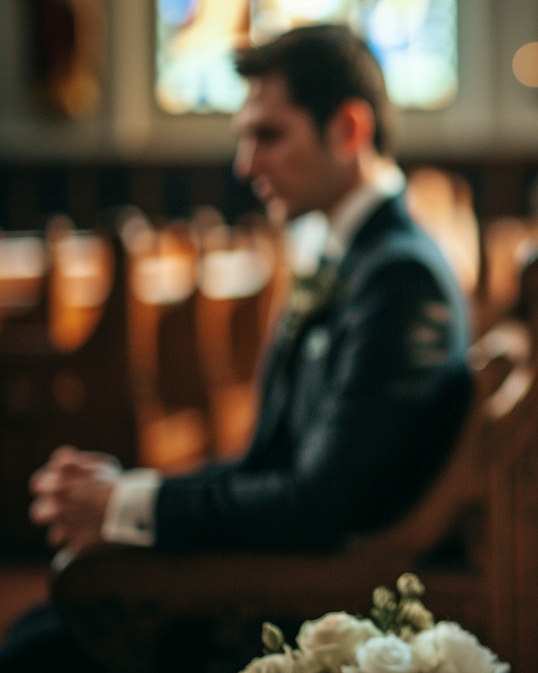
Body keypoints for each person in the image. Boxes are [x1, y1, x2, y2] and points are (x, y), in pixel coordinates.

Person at [2, 24, 472, 671]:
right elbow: (270, 462)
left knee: (39, 648)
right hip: (287, 572)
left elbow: (319, 504)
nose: (244, 165)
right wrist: (128, 494)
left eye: (268, 135)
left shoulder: (397, 276)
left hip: (306, 597)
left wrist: (128, 506)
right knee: (40, 627)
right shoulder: (360, 257)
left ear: (349, 130)